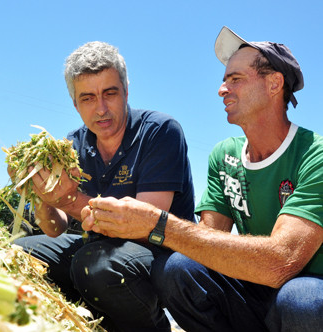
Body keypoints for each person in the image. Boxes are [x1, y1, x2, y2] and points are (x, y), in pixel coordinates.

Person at [81, 27, 323, 331]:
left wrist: (158, 225)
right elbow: (205, 244)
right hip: (256, 293)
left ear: (274, 84)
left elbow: (281, 263)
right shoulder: (225, 155)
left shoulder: (315, 155)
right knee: (179, 269)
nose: (222, 89)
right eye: (224, 80)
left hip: (307, 290)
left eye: (235, 79)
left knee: (301, 300)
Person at [12, 41, 195, 332]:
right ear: (75, 104)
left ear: (125, 90)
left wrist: (67, 197)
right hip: (97, 246)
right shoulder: (72, 146)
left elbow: (146, 225)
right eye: (87, 98)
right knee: (18, 254)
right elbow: (55, 228)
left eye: (110, 93)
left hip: (161, 252)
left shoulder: (160, 131)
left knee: (96, 266)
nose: (101, 109)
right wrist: (42, 196)